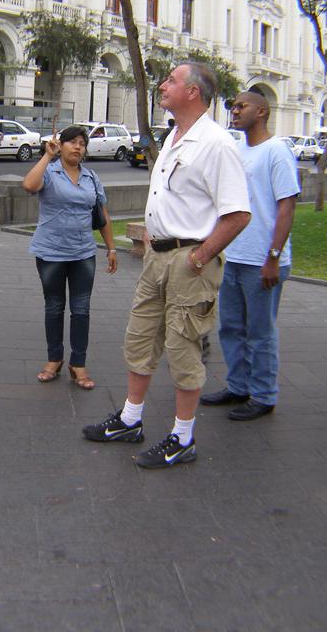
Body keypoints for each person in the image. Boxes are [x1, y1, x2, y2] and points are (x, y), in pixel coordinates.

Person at [82, 62, 251, 467]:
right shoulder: (173, 136)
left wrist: (200, 256)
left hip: (189, 261)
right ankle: (130, 419)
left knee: (183, 347)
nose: (162, 85)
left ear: (193, 92)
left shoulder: (216, 144)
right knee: (139, 337)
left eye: (172, 80)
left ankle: (183, 437)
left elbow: (238, 214)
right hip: (156, 257)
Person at [201, 91, 299, 420]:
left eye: (241, 106)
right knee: (230, 328)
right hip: (233, 256)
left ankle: (263, 395)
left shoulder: (277, 151)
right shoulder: (237, 150)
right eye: (232, 107)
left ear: (262, 111)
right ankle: (238, 386)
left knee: (260, 332)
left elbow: (286, 207)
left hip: (262, 261)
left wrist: (274, 257)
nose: (234, 111)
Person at [22, 125, 118, 390]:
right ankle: (54, 359)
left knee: (81, 309)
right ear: (61, 145)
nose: (77, 147)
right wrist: (47, 156)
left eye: (82, 143)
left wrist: (111, 248)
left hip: (83, 253)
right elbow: (29, 185)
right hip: (51, 252)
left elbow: (103, 215)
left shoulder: (91, 177)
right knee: (54, 306)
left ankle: (78, 363)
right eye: (72, 142)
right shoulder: (49, 172)